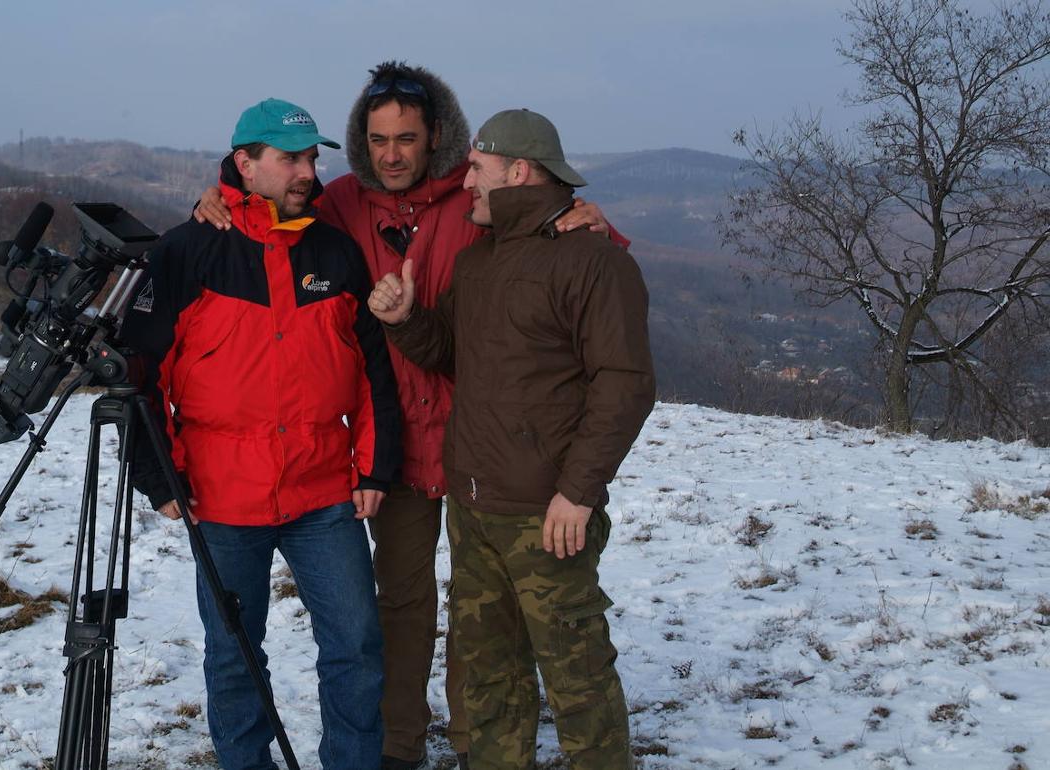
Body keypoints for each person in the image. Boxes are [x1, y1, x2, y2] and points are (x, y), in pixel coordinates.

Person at [194, 63, 626, 770]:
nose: (391, 153)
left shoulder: (476, 198)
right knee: (400, 603)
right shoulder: (338, 202)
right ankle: (398, 745)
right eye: (378, 138)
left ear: (435, 140)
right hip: (390, 440)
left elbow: (556, 239)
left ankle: (474, 737)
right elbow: (268, 214)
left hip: (478, 439)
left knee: (483, 610)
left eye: (407, 138)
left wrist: (592, 217)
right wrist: (216, 194)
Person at [367, 108, 655, 770]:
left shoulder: (594, 264)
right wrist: (406, 320)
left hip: (545, 513)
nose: (465, 181)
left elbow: (626, 386)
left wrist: (578, 493)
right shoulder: (480, 263)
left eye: (476, 169)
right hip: (473, 508)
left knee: (576, 680)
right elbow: (453, 354)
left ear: (518, 171)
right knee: (492, 678)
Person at [122, 97, 401, 770]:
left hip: (323, 489)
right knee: (235, 654)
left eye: (311, 157)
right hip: (222, 496)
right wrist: (158, 480)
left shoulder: (334, 252)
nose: (307, 171)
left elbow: (372, 371)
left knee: (357, 645)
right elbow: (140, 379)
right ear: (245, 163)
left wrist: (374, 468)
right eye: (290, 158)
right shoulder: (187, 252)